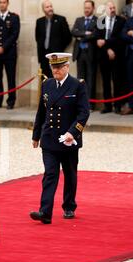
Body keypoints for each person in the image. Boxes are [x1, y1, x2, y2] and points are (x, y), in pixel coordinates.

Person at [30, 53, 90, 225]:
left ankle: (69, 205)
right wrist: (36, 135)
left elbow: (83, 112)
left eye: (58, 67)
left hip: (68, 139)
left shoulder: (77, 85)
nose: (55, 70)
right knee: (50, 174)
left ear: (66, 67)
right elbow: (41, 112)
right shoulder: (47, 84)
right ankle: (45, 212)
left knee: (70, 174)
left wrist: (73, 132)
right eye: (53, 67)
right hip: (49, 137)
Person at [0, 0, 21, 110]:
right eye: (0, 2)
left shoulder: (14, 17)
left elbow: (14, 34)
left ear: (7, 4)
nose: (2, 4)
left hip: (9, 53)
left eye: (4, 2)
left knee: (11, 78)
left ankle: (11, 101)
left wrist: (3, 47)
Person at [95, 1, 127, 114]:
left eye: (114, 7)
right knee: (105, 81)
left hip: (117, 55)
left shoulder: (122, 21)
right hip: (103, 56)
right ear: (106, 9)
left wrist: (107, 43)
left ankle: (118, 105)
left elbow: (121, 38)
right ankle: (107, 106)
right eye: (110, 8)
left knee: (117, 81)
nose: (112, 9)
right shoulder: (100, 21)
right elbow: (98, 39)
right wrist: (108, 49)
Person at [35, 0, 72, 79]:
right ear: (43, 9)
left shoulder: (61, 19)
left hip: (56, 56)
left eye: (51, 6)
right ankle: (45, 92)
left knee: (56, 78)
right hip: (44, 56)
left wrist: (59, 49)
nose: (50, 8)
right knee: (44, 79)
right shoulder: (39, 21)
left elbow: (68, 37)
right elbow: (37, 38)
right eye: (47, 7)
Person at [72, 0, 98, 107]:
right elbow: (73, 31)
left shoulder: (98, 20)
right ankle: (80, 103)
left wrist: (81, 36)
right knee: (80, 79)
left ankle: (90, 104)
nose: (86, 10)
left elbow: (95, 34)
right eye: (85, 8)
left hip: (91, 54)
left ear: (93, 8)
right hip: (80, 53)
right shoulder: (79, 20)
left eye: (88, 8)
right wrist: (85, 33)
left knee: (91, 78)